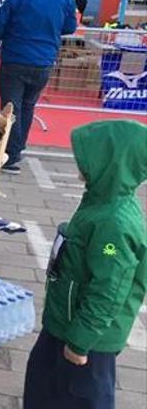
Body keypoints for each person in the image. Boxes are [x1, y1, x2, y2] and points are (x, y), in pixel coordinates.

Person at [23, 120, 147, 409]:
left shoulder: (114, 222)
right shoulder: (99, 200)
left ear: (110, 163)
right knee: (43, 387)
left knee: (80, 396)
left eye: (87, 157)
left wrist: (80, 341)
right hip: (64, 322)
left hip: (85, 338)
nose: (79, 161)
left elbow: (109, 290)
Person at [0, 0, 77, 174]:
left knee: (10, 107)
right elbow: (70, 26)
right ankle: (18, 148)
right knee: (28, 105)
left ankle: (11, 154)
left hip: (16, 57)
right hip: (44, 59)